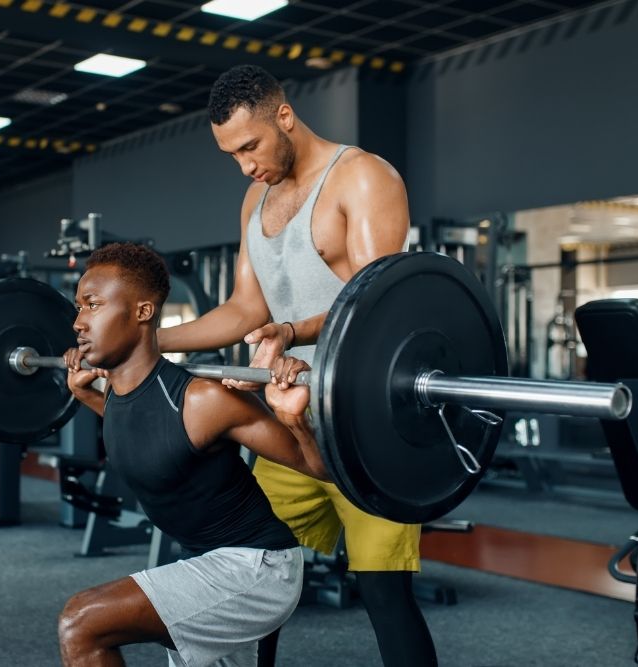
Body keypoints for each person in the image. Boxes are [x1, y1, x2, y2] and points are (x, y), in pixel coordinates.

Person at [156, 65, 437, 667]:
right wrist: (147, 342)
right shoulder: (255, 197)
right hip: (287, 423)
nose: (245, 165)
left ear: (284, 116)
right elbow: (243, 310)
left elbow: (376, 307)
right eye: (231, 155)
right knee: (252, 577)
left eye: (250, 147)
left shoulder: (361, 178)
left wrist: (292, 330)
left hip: (366, 428)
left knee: (384, 594)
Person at [58, 242, 325, 667]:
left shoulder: (202, 400)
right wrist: (85, 395)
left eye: (92, 305)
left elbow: (317, 467)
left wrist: (295, 420)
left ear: (143, 312)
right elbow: (148, 431)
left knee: (81, 622)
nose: (78, 322)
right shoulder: (118, 394)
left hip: (257, 568)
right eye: (78, 308)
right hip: (206, 561)